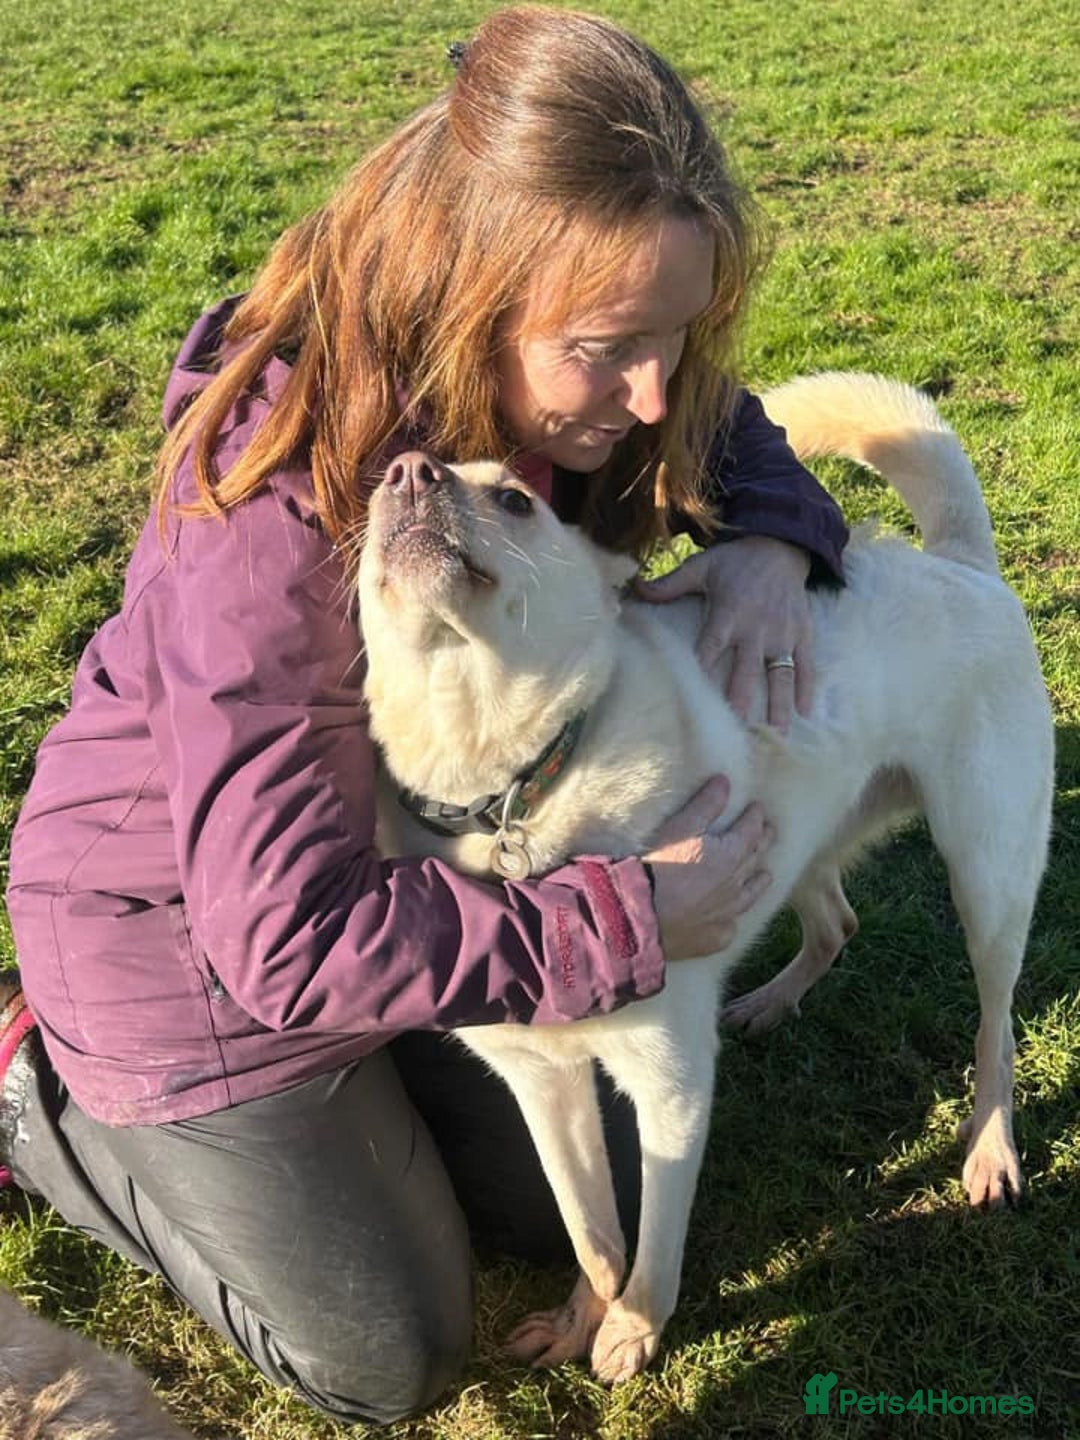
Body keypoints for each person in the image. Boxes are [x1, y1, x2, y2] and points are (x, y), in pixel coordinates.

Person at [1, 6, 847, 1425]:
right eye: (608, 346)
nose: (652, 400)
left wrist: (770, 531)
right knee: (388, 1354)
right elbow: (276, 932)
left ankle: (400, 1072)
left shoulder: (559, 383)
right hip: (189, 944)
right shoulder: (266, 508)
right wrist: (636, 918)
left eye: (676, 333)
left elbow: (710, 417)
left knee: (611, 1179)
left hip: (412, 874)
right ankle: (41, 1101)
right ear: (471, 289)